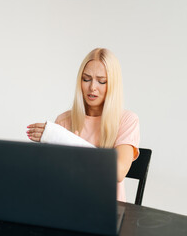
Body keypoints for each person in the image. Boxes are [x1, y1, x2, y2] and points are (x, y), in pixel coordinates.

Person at [26, 48, 140, 202]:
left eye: (101, 81)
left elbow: (119, 172)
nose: (92, 87)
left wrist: (75, 146)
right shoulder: (64, 120)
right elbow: (51, 176)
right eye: (86, 79)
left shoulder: (127, 120)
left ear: (113, 84)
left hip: (106, 209)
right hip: (68, 203)